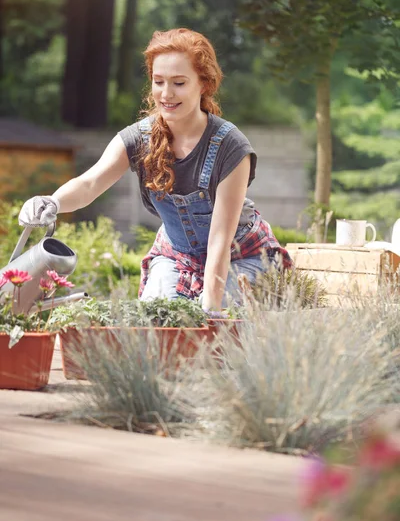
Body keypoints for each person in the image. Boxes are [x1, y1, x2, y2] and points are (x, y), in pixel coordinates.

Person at [19, 28, 291, 314]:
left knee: (217, 327)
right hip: (176, 256)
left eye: (179, 83)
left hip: (243, 255)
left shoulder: (230, 146)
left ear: (204, 84)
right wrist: (53, 201)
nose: (166, 93)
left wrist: (211, 314)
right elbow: (90, 183)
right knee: (155, 321)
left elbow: (220, 241)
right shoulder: (139, 138)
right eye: (158, 81)